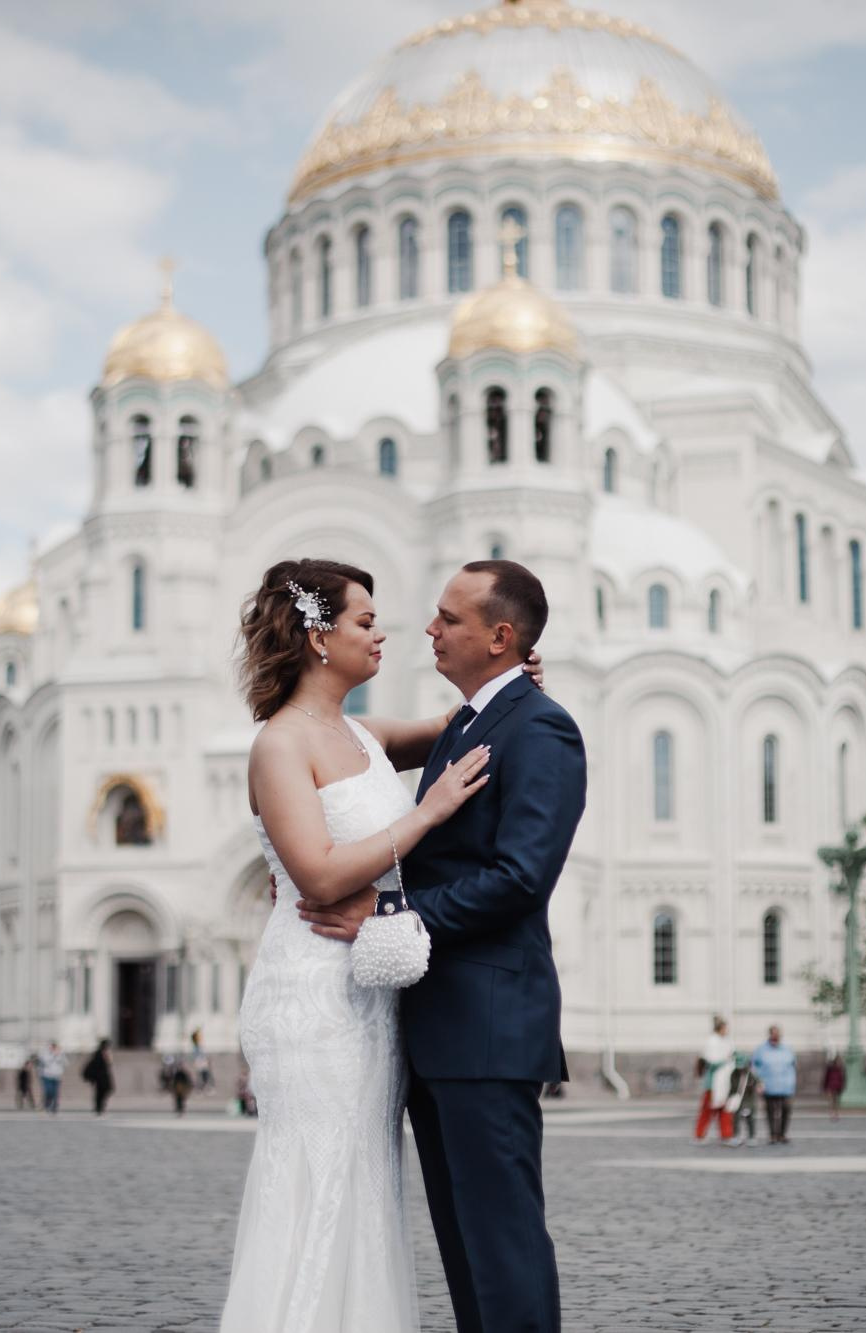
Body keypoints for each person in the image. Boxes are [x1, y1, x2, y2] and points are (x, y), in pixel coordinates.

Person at [220, 557, 541, 1333]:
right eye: (365, 621)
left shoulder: (359, 732)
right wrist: (423, 815)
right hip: (313, 996)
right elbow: (319, 874)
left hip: (370, 991)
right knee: (319, 1175)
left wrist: (517, 669)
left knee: (366, 1181)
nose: (383, 633)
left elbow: (458, 726)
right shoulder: (279, 744)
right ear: (317, 636)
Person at [295, 558, 583, 1333]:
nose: (429, 629)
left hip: (489, 1027)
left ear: (499, 635)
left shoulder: (542, 726)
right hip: (441, 1029)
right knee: (463, 1247)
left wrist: (392, 916)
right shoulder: (466, 722)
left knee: (503, 1242)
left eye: (448, 619)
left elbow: (521, 876)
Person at [751, 1025, 798, 1145]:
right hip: (768, 1086)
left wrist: (792, 1081)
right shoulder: (761, 1050)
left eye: (778, 1034)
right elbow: (754, 1066)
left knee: (786, 1110)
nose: (776, 1037)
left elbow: (793, 1065)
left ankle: (782, 1134)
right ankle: (772, 1134)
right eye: (774, 1034)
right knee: (770, 1111)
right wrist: (758, 1082)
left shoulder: (787, 1049)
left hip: (785, 1086)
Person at [694, 1017, 735, 1143]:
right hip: (712, 1084)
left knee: (725, 1109)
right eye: (725, 1028)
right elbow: (712, 1062)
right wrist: (726, 1060)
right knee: (707, 1110)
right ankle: (699, 1135)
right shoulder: (712, 1042)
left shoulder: (726, 1041)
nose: (727, 1030)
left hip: (725, 1083)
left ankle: (726, 1135)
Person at [81, 1041, 114, 1116]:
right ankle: (98, 1107)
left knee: (107, 1089)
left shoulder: (106, 1053)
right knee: (99, 1092)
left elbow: (109, 1064)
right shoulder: (98, 1053)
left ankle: (100, 1106)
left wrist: (109, 1057)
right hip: (99, 1077)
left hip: (104, 1076)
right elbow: (96, 1065)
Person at [38, 1043, 64, 1114]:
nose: (53, 1049)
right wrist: (53, 1055)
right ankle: (47, 1104)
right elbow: (45, 1062)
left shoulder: (60, 1054)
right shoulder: (46, 1054)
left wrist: (59, 1055)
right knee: (49, 1092)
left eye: (55, 1048)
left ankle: (54, 1107)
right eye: (52, 1047)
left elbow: (65, 1063)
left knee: (55, 1093)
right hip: (47, 1076)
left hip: (57, 1076)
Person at [824, 1053, 848, 1120]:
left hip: (837, 1087)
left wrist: (843, 1086)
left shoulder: (841, 1068)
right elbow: (826, 1077)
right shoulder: (831, 1067)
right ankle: (832, 1114)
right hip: (830, 1086)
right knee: (831, 1101)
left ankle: (836, 1114)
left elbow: (843, 1078)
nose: (839, 1062)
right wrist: (825, 1086)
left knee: (836, 1101)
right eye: (838, 1060)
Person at [191, 1028, 214, 1094]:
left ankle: (204, 1087)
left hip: (202, 1062)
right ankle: (201, 1088)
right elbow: (198, 1056)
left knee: (205, 1075)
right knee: (202, 1075)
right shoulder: (196, 1047)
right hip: (200, 1062)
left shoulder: (198, 1046)